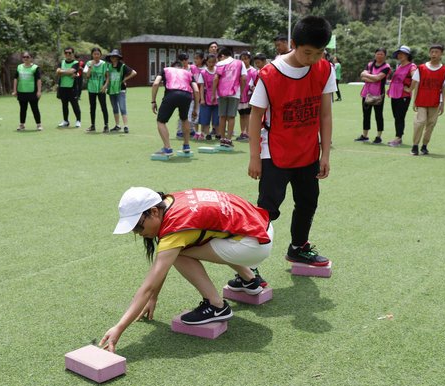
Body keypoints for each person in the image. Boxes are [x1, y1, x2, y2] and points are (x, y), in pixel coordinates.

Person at [98, 187, 273, 352]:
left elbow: (149, 284)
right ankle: (249, 280)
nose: (137, 232)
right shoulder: (169, 201)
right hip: (259, 227)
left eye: (137, 226)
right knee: (200, 237)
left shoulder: (175, 227)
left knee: (180, 253)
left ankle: (216, 306)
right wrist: (153, 297)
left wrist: (119, 328)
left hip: (254, 243)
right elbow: (160, 269)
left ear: (153, 212)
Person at [248, 16, 335, 267]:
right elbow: (255, 116)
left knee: (308, 201)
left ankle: (298, 248)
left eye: (319, 53)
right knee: (267, 209)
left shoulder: (324, 69)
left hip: (308, 152)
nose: (313, 59)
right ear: (294, 44)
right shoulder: (270, 74)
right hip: (275, 152)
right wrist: (255, 156)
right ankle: (249, 268)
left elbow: (325, 114)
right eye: (308, 52)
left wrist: (325, 154)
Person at [151, 60, 200, 156]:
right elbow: (197, 90)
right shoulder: (188, 73)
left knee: (161, 121)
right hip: (187, 95)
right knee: (184, 118)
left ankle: (167, 148)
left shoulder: (165, 70)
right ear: (182, 68)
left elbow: (156, 83)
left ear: (172, 66)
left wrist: (153, 101)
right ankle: (186, 146)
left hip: (171, 94)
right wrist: (195, 109)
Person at [410, 44, 445, 156]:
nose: (434, 54)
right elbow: (416, 85)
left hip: (435, 102)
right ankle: (415, 145)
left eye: (436, 52)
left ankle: (424, 146)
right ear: (429, 53)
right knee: (420, 122)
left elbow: (443, 88)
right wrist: (414, 101)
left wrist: (442, 104)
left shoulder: (444, 70)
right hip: (421, 101)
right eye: (432, 52)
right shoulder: (421, 68)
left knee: (431, 124)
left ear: (441, 54)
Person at [212, 47, 247, 147]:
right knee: (231, 116)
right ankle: (228, 139)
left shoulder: (219, 64)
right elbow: (244, 78)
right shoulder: (240, 63)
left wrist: (213, 93)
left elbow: (215, 79)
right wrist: (241, 91)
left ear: (222, 55)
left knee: (222, 116)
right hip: (234, 92)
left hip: (221, 93)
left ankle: (222, 139)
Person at [354, 48, 390, 144]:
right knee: (366, 115)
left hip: (378, 95)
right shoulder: (370, 64)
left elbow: (378, 78)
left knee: (378, 115)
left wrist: (368, 76)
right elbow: (362, 75)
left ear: (385, 56)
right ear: (375, 54)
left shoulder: (387, 67)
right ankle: (365, 135)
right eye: (377, 53)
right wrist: (373, 78)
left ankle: (378, 137)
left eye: (381, 54)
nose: (379, 56)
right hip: (366, 94)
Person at [386, 45, 416, 147]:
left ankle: (398, 138)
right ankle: (398, 137)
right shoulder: (399, 66)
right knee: (396, 117)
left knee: (400, 117)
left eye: (402, 54)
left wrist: (410, 89)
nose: (400, 55)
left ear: (407, 55)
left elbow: (416, 78)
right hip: (395, 95)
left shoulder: (412, 66)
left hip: (403, 96)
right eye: (399, 54)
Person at [105, 49, 136, 133]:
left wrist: (125, 79)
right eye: (112, 56)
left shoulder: (123, 66)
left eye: (115, 56)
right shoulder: (108, 66)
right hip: (111, 90)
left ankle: (126, 126)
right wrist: (105, 86)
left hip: (121, 90)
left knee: (122, 108)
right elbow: (107, 77)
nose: (113, 58)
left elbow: (134, 72)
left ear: (118, 58)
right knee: (115, 108)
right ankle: (117, 125)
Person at [12, 51, 42, 131]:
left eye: (27, 57)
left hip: (32, 92)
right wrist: (15, 90)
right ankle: (22, 125)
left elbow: (39, 80)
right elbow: (15, 78)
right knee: (23, 109)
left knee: (34, 108)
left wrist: (39, 91)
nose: (25, 58)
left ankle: (38, 125)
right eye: (24, 57)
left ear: (31, 58)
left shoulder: (35, 67)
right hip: (21, 91)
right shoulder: (19, 67)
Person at [83, 47, 109, 133]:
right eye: (94, 54)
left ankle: (106, 125)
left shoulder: (104, 64)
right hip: (91, 89)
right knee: (92, 107)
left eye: (98, 54)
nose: (96, 56)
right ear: (92, 55)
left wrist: (105, 85)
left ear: (100, 55)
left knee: (103, 107)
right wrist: (91, 66)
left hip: (101, 89)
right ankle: (92, 125)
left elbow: (107, 76)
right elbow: (87, 76)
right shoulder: (88, 63)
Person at [56, 47, 82, 128]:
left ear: (72, 54)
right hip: (63, 87)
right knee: (64, 105)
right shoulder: (62, 62)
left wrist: (62, 71)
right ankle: (65, 121)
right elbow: (57, 72)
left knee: (75, 104)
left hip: (72, 88)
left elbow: (72, 71)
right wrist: (67, 72)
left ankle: (78, 120)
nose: (68, 54)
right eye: (66, 53)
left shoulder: (76, 63)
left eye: (70, 53)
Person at [197, 54, 219, 140]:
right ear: (206, 62)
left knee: (217, 116)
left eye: (213, 62)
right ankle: (207, 133)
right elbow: (201, 87)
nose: (211, 64)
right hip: (206, 97)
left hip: (217, 96)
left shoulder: (218, 71)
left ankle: (218, 133)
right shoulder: (203, 72)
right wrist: (202, 99)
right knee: (205, 115)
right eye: (209, 62)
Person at [237, 51, 257, 141]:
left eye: (246, 58)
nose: (244, 61)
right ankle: (242, 132)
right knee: (241, 114)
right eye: (242, 59)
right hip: (240, 96)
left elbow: (255, 85)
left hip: (248, 96)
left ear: (249, 59)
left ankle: (248, 132)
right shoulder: (238, 70)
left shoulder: (253, 71)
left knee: (248, 114)